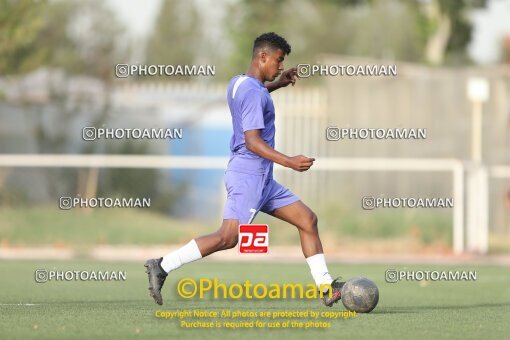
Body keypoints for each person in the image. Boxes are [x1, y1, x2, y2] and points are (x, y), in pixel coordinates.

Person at [144, 32, 343, 307]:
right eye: (279, 60)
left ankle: (326, 286)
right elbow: (252, 141)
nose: (281, 66)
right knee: (228, 238)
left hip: (262, 180)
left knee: (307, 220)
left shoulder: (239, 83)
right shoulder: (252, 91)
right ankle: (162, 265)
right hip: (249, 176)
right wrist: (289, 161)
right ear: (263, 57)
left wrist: (278, 85)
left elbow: (255, 98)